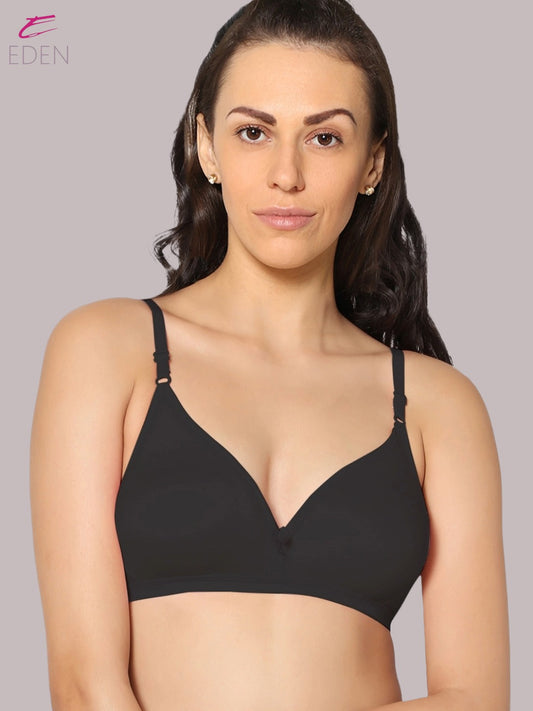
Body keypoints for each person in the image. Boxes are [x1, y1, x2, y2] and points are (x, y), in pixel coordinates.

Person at [30, 1, 510, 709]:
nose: (286, 174)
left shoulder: (438, 406)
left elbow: (475, 697)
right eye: (253, 132)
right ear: (207, 147)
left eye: (325, 138)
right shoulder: (106, 350)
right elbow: (84, 683)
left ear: (372, 163)